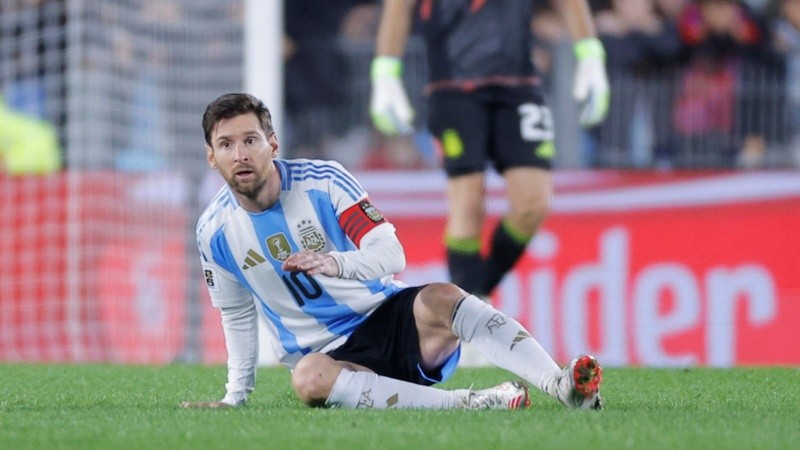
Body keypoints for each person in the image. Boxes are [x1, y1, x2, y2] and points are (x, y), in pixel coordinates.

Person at [180, 93, 604, 410]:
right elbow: (236, 314)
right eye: (226, 144)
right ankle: (473, 402)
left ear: (273, 145)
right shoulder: (214, 232)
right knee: (308, 380)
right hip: (329, 359)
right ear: (211, 157)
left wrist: (336, 263)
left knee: (444, 296)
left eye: (250, 140)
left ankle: (559, 384)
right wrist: (234, 397)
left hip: (389, 319)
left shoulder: (323, 182)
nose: (241, 155)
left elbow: (391, 253)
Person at [369, 0, 610, 298]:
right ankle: (472, 307)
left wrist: (590, 54)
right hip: (453, 87)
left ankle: (474, 296)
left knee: (533, 205)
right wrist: (385, 72)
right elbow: (398, 6)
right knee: (468, 204)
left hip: (519, 85)